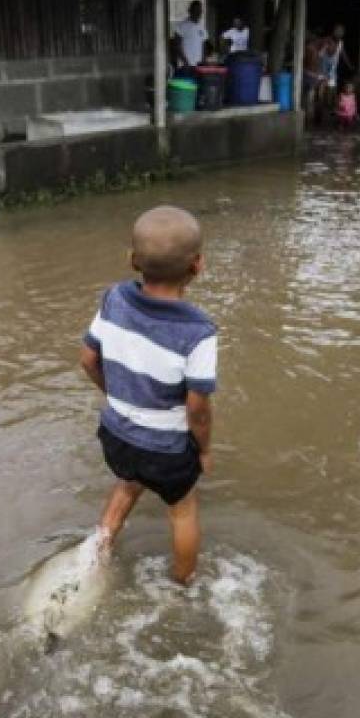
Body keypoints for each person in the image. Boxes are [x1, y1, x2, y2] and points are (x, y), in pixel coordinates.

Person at [80, 206, 217, 586]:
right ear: (198, 265)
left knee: (127, 483)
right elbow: (198, 408)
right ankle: (183, 586)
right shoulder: (198, 331)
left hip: (117, 435)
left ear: (132, 260)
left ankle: (96, 556)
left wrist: (120, 397)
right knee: (183, 510)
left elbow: (88, 359)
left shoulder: (113, 299)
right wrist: (204, 450)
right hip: (168, 448)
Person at [174, 0, 208, 68]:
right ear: (190, 11)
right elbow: (177, 46)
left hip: (198, 66)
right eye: (195, 10)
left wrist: (203, 62)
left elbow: (204, 46)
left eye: (199, 11)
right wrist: (186, 62)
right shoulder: (181, 26)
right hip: (184, 65)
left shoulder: (202, 28)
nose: (198, 13)